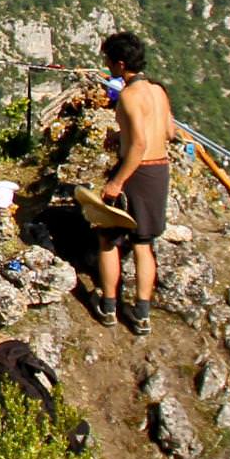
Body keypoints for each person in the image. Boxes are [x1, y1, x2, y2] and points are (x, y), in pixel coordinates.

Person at [88, 30, 175, 335]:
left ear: (121, 64)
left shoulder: (128, 95)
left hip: (136, 173)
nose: (108, 67)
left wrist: (117, 182)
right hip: (159, 170)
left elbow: (138, 145)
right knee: (143, 243)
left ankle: (109, 305)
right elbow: (168, 132)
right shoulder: (158, 91)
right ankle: (141, 312)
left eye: (110, 62)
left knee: (108, 237)